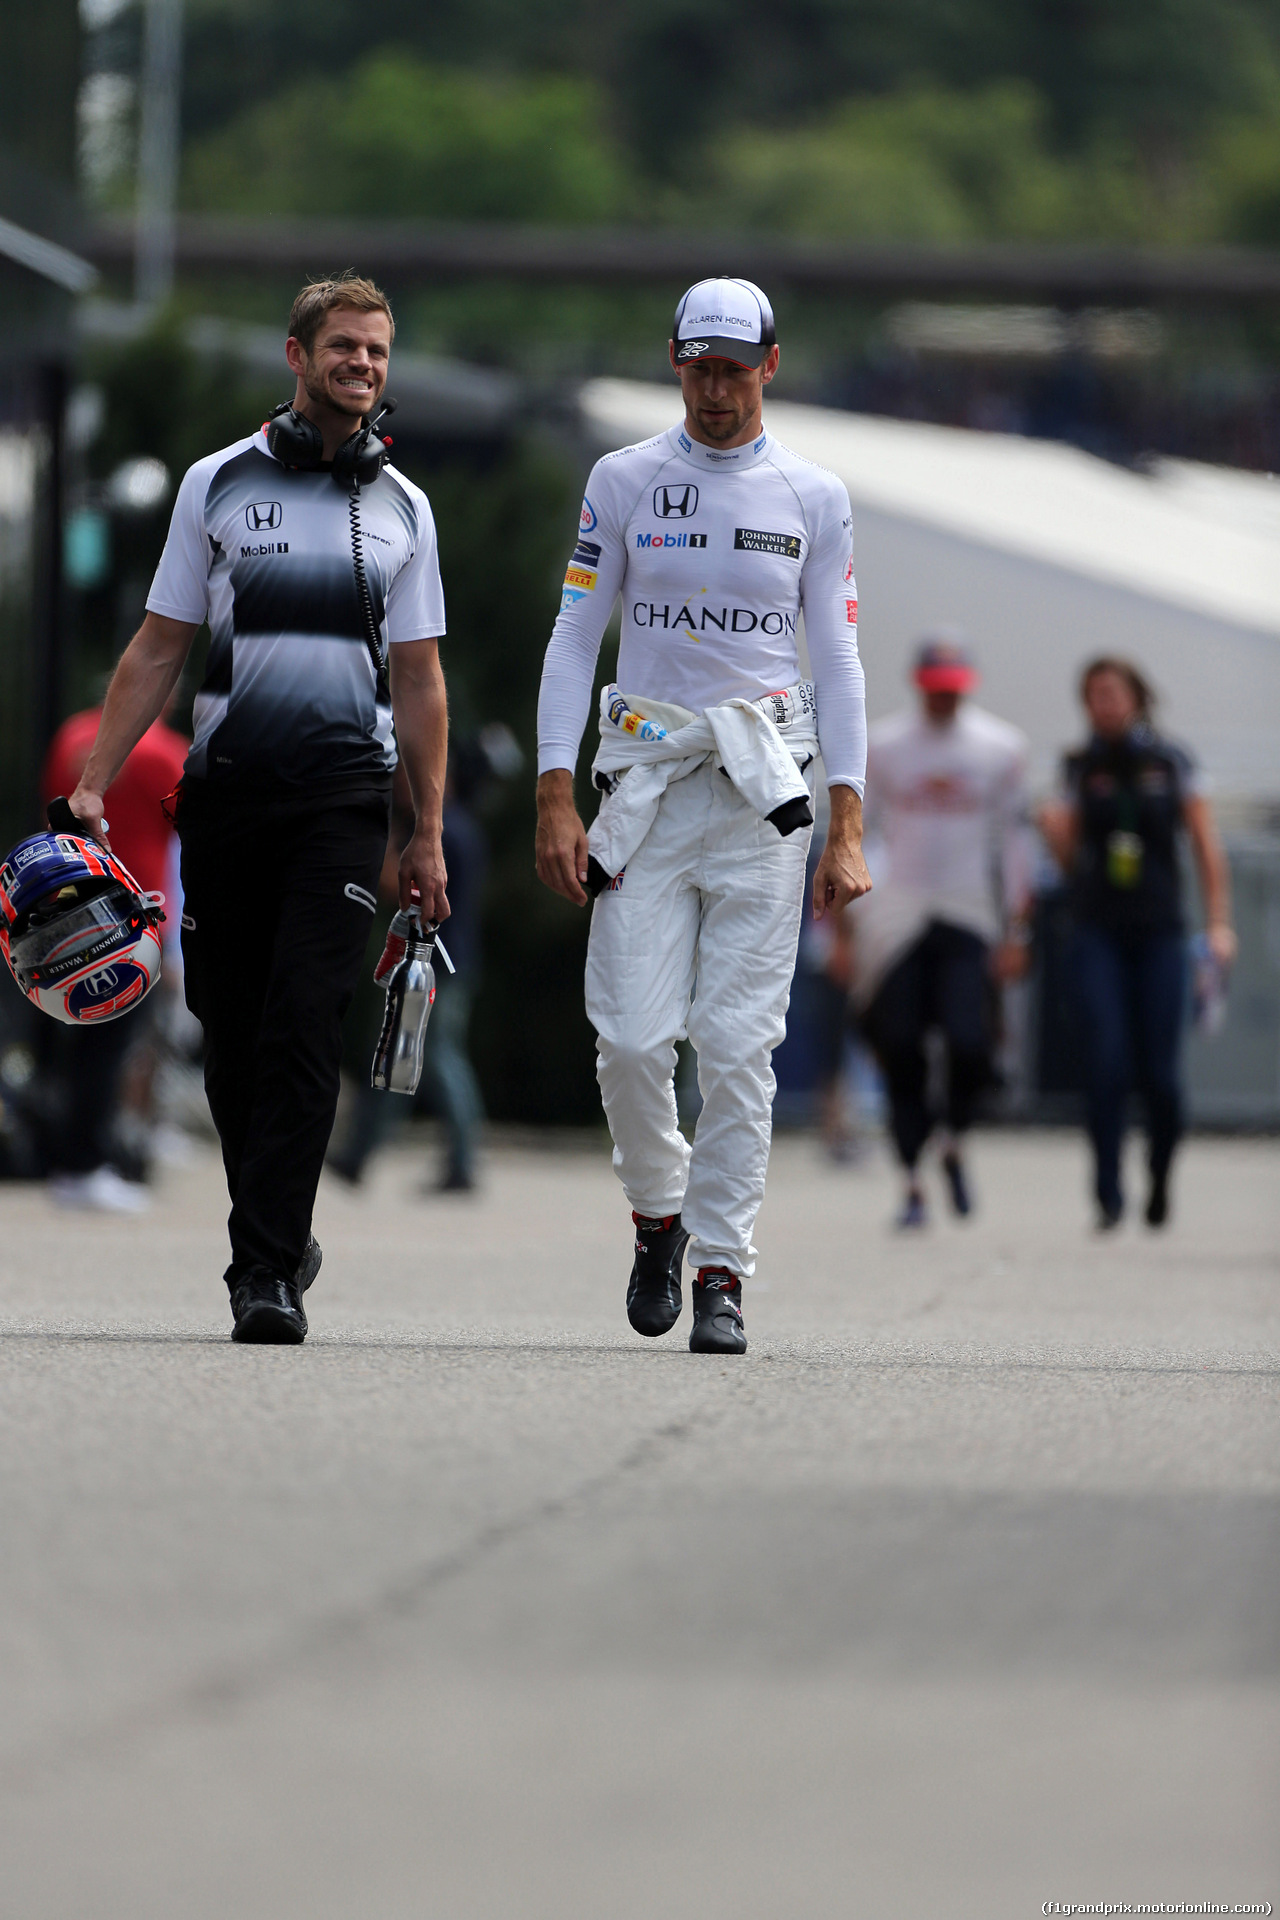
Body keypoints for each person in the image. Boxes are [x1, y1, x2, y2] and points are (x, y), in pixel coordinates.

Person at [67, 273, 450, 1342]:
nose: (362, 366)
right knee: (226, 1027)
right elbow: (159, 646)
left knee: (300, 1019)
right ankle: (276, 1221)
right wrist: (97, 777)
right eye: (343, 347)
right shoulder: (216, 484)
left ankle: (265, 1268)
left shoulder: (405, 507)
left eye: (376, 351)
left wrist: (422, 832)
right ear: (296, 354)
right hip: (226, 795)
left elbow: (420, 683)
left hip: (341, 800)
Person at [535, 276, 870, 1355]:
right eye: (697, 367)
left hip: (763, 795)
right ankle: (657, 1217)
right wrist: (552, 791)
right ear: (673, 361)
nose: (715, 388)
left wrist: (847, 823)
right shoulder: (623, 479)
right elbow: (575, 634)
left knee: (736, 1046)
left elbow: (840, 658)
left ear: (770, 364)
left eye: (734, 367)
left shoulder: (814, 495)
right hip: (643, 784)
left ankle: (721, 1268)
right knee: (632, 1041)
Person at [1039, 656, 1236, 1229]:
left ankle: (1160, 1173)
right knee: (1105, 1060)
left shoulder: (1171, 761)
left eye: (1113, 693)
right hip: (1097, 928)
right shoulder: (1079, 766)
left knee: (1162, 1074)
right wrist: (1055, 837)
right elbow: (1072, 860)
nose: (1105, 703)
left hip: (1160, 931)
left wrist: (1219, 923)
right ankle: (1106, 1192)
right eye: (1094, 694)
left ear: (1136, 698)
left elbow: (1204, 845)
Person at [852, 634, 1033, 1228]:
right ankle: (909, 1178)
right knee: (899, 1043)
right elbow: (859, 829)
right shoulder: (884, 745)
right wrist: (848, 927)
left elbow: (1012, 842)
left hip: (967, 911)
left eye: (953, 693)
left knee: (970, 1041)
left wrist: (1016, 928)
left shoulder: (1000, 748)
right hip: (899, 911)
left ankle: (953, 1136)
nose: (944, 703)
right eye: (935, 692)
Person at [39, 702, 189, 1212]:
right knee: (120, 1043)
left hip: (72, 910)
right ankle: (87, 1163)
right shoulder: (165, 752)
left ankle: (75, 1156)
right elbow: (192, 830)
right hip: (135, 916)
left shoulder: (72, 735)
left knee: (82, 1037)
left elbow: (52, 809)